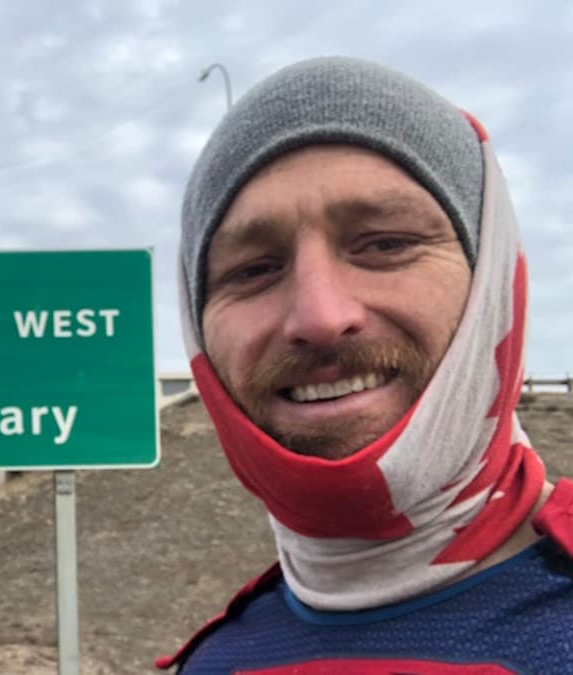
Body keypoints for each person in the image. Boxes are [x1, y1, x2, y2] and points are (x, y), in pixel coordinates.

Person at [157, 57, 573, 673]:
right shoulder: (215, 658)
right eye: (254, 269)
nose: (320, 316)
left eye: (386, 243)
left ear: (491, 277)